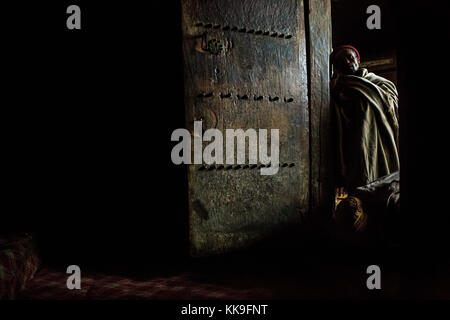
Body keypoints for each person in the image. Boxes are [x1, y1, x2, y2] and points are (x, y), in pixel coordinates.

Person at [330, 45, 400, 196]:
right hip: (357, 145)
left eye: (350, 57)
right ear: (337, 67)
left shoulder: (379, 82)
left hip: (382, 140)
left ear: (358, 59)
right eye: (342, 61)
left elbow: (392, 102)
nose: (348, 61)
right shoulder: (337, 91)